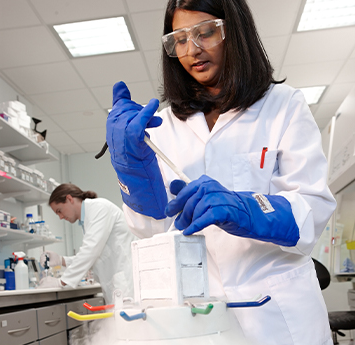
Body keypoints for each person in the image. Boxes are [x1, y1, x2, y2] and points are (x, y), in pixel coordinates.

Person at [105, 0, 337, 344]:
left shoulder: (282, 105)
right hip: (202, 318)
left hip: (280, 315)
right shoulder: (163, 125)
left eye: (206, 32)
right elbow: (153, 228)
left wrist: (246, 209)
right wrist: (132, 174)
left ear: (234, 31)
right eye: (179, 39)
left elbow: (312, 211)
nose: (192, 50)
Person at [38, 183, 137, 304]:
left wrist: (61, 282)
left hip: (126, 283)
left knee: (128, 321)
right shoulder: (86, 220)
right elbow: (95, 255)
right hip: (117, 286)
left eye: (59, 211)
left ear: (69, 199)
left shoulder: (99, 207)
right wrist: (61, 260)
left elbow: (91, 250)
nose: (60, 217)